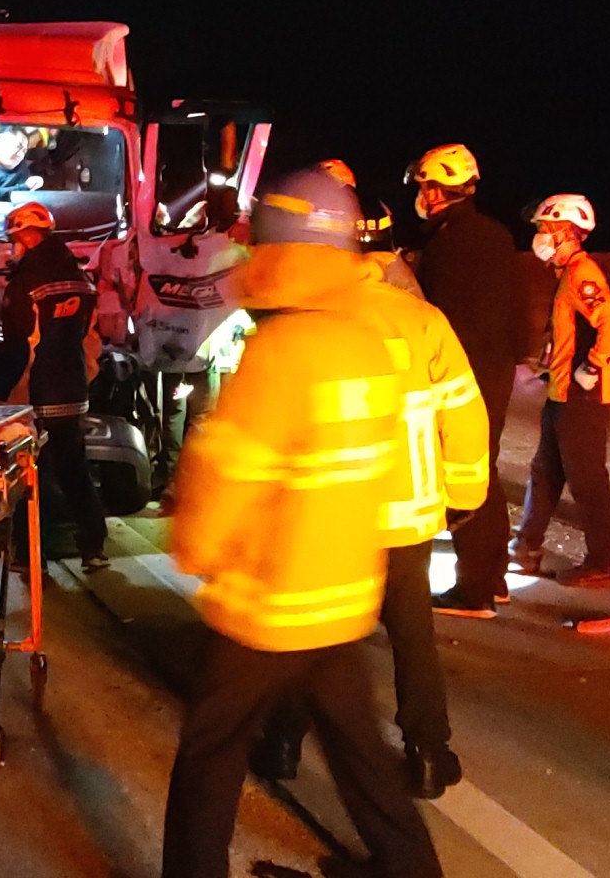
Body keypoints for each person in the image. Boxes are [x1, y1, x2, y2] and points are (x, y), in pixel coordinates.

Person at [161, 169, 442, 878]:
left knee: (211, 749)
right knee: (360, 753)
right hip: (342, 595)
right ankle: (412, 869)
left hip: (268, 601)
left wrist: (193, 547)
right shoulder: (366, 342)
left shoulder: (279, 350)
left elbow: (232, 473)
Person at [248, 166, 491, 799]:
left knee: (316, 633)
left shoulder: (304, 318)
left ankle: (282, 743)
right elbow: (465, 414)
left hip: (331, 512)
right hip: (407, 516)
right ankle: (428, 754)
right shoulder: (424, 320)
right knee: (412, 636)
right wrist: (464, 495)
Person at [398, 144, 526, 619]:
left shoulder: (448, 243)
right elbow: (518, 312)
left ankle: (474, 591)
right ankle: (493, 577)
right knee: (484, 469)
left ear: (436, 190)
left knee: (462, 475)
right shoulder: (496, 235)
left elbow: (436, 317)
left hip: (462, 375)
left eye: (424, 187)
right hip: (496, 371)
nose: (421, 197)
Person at [513, 194, 610, 586]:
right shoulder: (565, 274)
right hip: (562, 392)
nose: (539, 237)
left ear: (567, 232)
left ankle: (604, 561)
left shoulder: (582, 274)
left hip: (583, 397)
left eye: (545, 229)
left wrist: (591, 366)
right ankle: (526, 547)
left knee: (586, 480)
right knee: (545, 473)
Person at [0, 201, 109, 573]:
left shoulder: (26, 282)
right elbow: (91, 336)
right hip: (73, 387)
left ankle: (30, 556)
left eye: (14, 239)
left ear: (27, 236)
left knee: (30, 475)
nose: (13, 247)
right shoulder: (79, 277)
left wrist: (1, 394)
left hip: (36, 389)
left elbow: (17, 346)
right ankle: (93, 547)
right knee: (75, 468)